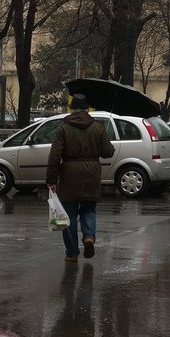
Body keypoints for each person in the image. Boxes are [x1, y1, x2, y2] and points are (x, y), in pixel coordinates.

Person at [46, 93, 115, 263]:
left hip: (69, 175)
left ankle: (71, 253)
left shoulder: (63, 128)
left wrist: (51, 180)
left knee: (68, 213)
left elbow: (55, 156)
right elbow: (108, 152)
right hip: (92, 174)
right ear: (86, 109)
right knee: (88, 209)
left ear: (72, 109)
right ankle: (89, 236)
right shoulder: (98, 127)